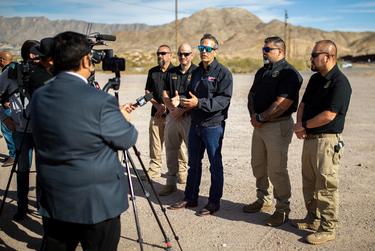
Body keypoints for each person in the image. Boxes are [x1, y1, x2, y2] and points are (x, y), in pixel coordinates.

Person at [30, 31, 138, 250]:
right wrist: (122, 118)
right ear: (85, 60)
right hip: (96, 205)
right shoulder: (99, 100)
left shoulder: (39, 96)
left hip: (54, 200)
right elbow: (126, 139)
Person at [292, 40, 351, 245]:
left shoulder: (340, 82)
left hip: (327, 142)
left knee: (326, 185)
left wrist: (304, 125)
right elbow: (304, 103)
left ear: (328, 56)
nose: (311, 58)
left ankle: (328, 228)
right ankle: (313, 219)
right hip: (310, 138)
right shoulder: (316, 79)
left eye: (315, 54)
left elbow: (329, 115)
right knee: (309, 183)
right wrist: (299, 124)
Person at [170, 33, 233, 216]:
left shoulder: (223, 73)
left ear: (215, 51)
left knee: (214, 164)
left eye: (208, 49)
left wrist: (200, 104)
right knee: (193, 163)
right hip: (196, 124)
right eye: (201, 48)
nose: (204, 52)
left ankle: (214, 202)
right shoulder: (196, 72)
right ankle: (190, 198)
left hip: (213, 126)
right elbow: (190, 95)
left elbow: (223, 100)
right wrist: (180, 100)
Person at [243, 36, 303, 227]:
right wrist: (254, 116)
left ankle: (282, 209)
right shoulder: (262, 71)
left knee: (276, 169)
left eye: (268, 49)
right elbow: (251, 96)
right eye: (263, 48)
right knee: (258, 164)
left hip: (277, 126)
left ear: (281, 51)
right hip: (259, 126)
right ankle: (263, 199)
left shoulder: (289, 73)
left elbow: (282, 103)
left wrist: (261, 118)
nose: (264, 52)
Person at [158, 43, 197, 196]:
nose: (183, 57)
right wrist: (172, 109)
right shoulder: (171, 72)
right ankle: (170, 183)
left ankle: (191, 186)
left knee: (192, 152)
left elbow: (197, 97)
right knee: (171, 149)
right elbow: (165, 93)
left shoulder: (197, 72)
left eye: (186, 54)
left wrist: (182, 108)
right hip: (172, 117)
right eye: (180, 54)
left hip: (189, 117)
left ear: (192, 55)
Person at [143, 45, 185, 181]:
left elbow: (180, 95)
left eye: (163, 53)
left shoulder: (176, 72)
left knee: (177, 145)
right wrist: (157, 105)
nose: (160, 56)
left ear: (170, 55)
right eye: (158, 53)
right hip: (156, 114)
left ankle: (182, 172)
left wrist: (167, 107)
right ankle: (154, 170)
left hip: (173, 115)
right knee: (155, 144)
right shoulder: (152, 72)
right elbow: (147, 92)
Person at [0, 51, 16, 167]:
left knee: (7, 131)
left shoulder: (7, 72)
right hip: (15, 106)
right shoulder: (16, 68)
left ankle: (13, 155)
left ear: (2, 60)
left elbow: (2, 89)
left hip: (8, 107)